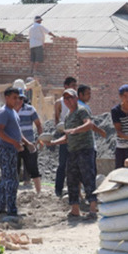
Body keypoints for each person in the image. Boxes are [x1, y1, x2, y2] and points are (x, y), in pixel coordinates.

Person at [47, 88, 106, 219]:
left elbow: (89, 124)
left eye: (70, 98)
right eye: (65, 99)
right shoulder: (68, 116)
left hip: (85, 150)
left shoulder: (81, 110)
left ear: (75, 98)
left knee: (88, 179)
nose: (68, 101)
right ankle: (75, 209)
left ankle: (92, 209)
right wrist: (53, 142)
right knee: (72, 180)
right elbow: (67, 137)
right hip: (72, 151)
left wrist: (75, 129)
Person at [0, 87, 32, 216]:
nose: (17, 100)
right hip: (5, 150)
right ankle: (11, 209)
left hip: (12, 150)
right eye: (14, 98)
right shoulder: (4, 112)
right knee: (11, 180)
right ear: (7, 98)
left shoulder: (13, 112)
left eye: (18, 98)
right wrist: (15, 143)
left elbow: (17, 132)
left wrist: (27, 142)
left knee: (7, 179)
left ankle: (1, 207)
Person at [14, 79, 43, 194]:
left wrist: (39, 140)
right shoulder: (10, 111)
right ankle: (13, 191)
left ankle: (38, 192)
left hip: (29, 143)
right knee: (14, 168)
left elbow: (39, 125)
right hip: (15, 144)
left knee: (33, 168)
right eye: (17, 98)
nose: (19, 101)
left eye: (21, 98)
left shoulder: (30, 109)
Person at [54, 77, 77, 197]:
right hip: (65, 135)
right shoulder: (59, 103)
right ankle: (58, 189)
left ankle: (73, 189)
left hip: (76, 135)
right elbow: (57, 120)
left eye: (75, 86)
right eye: (72, 85)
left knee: (74, 163)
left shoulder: (78, 103)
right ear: (66, 86)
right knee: (62, 163)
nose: (74, 88)